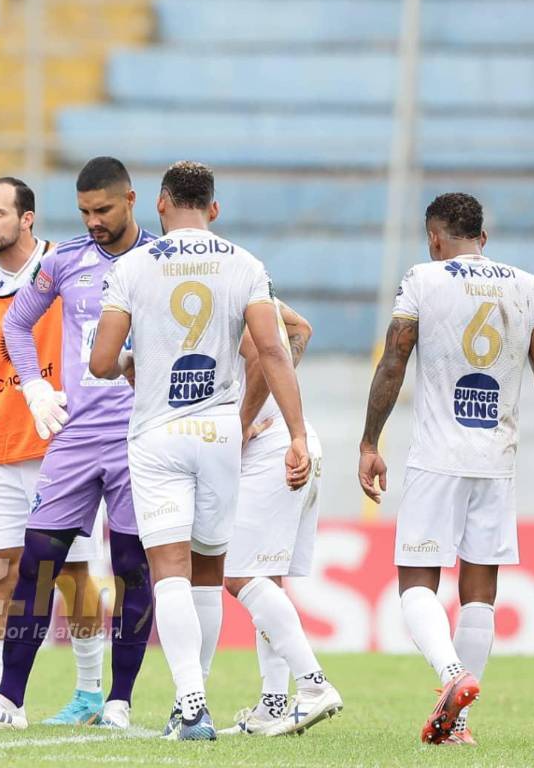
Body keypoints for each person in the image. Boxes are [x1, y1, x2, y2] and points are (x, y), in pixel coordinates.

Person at [89, 160, 319, 741]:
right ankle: (195, 699)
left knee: (168, 570)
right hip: (220, 432)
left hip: (158, 435)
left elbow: (100, 362)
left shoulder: (133, 266)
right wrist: (295, 434)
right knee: (209, 575)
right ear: (213, 209)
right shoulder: (245, 263)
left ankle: (191, 706)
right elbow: (273, 348)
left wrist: (127, 364)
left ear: (161, 204)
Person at [358, 192, 534, 745]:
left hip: (437, 457)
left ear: (435, 238)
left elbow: (394, 360)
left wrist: (369, 441)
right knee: (480, 592)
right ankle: (460, 727)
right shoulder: (528, 287)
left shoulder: (424, 279)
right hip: (497, 461)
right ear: (484, 236)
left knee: (415, 584)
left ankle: (453, 675)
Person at [0, 157, 158, 731]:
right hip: (76, 435)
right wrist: (34, 386)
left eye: (103, 210)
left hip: (139, 436)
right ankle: (8, 701)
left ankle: (119, 701)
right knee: (37, 563)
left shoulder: (160, 259)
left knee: (133, 566)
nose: (94, 222)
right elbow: (14, 324)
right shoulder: (64, 262)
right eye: (84, 212)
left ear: (131, 200)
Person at [0, 177, 107, 724]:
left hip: (62, 446)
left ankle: (88, 693)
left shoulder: (64, 265)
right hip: (1, 447)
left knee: (72, 575)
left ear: (27, 219)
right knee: (2, 573)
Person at [219, 300, 339, 736]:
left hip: (271, 450)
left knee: (237, 573)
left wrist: (243, 420)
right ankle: (273, 704)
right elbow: (300, 328)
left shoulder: (217, 287)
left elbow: (258, 350)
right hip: (296, 440)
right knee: (266, 580)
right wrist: (277, 385)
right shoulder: (245, 283)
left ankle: (313, 684)